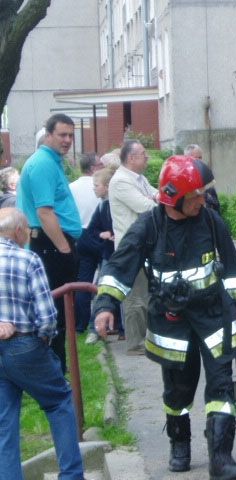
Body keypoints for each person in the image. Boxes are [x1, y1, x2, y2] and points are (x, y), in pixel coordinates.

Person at [92, 156, 236, 479]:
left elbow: (232, 268)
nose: (202, 200)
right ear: (174, 197)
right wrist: (105, 304)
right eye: (195, 195)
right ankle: (179, 444)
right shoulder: (148, 227)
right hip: (172, 323)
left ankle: (221, 459)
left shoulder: (210, 221)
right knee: (178, 392)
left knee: (222, 387)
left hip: (213, 316)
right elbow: (120, 266)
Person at [0, 207, 85, 480]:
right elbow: (47, 316)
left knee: (4, 422)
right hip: (25, 345)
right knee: (59, 402)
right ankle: (71, 475)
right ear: (18, 232)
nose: (29, 234)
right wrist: (43, 339)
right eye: (29, 229)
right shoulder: (28, 259)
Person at [16, 113, 82, 374]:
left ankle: (56, 371)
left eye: (70, 135)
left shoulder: (51, 161)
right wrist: (64, 249)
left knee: (60, 312)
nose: (67, 140)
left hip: (53, 243)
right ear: (48, 134)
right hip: (50, 244)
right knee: (55, 312)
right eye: (62, 134)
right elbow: (44, 213)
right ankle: (55, 373)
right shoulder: (43, 163)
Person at [109, 139, 158, 355]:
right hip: (131, 248)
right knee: (135, 298)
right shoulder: (121, 181)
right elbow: (145, 205)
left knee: (145, 294)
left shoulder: (139, 178)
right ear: (131, 158)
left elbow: (156, 195)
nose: (147, 157)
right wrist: (151, 198)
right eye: (143, 154)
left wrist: (153, 197)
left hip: (143, 245)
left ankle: (144, 338)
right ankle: (135, 343)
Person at [85, 166, 123, 345]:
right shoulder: (101, 206)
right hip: (109, 254)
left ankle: (122, 328)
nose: (94, 189)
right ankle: (96, 328)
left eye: (96, 185)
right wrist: (103, 234)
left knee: (121, 292)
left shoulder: (116, 204)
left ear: (107, 187)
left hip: (122, 254)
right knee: (104, 290)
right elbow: (93, 229)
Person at [70, 153, 103, 332]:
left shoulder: (71, 187)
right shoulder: (101, 185)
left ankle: (81, 323)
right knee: (106, 278)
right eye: (100, 165)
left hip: (81, 234)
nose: (103, 167)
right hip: (100, 232)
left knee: (83, 279)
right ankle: (106, 320)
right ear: (92, 168)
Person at [184, 144, 220, 212]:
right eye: (196, 158)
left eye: (200, 158)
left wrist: (206, 197)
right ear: (187, 160)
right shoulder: (182, 181)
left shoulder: (206, 177)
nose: (200, 161)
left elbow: (216, 206)